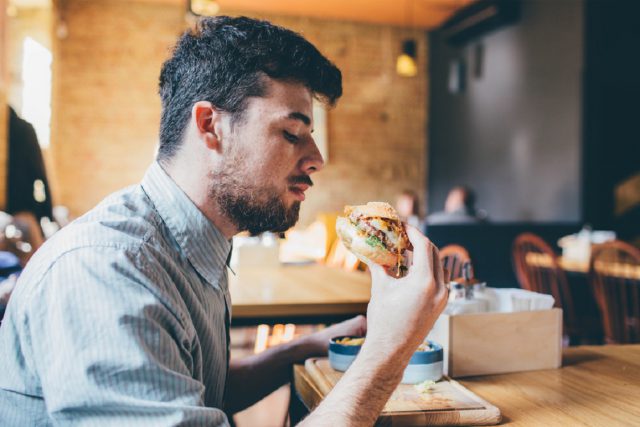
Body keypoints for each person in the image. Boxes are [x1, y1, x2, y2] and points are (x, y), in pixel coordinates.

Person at [0, 17, 447, 426]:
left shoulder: (192, 241)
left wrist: (308, 345)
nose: (317, 160)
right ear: (210, 125)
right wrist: (390, 348)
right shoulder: (106, 271)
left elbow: (193, 387)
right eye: (292, 133)